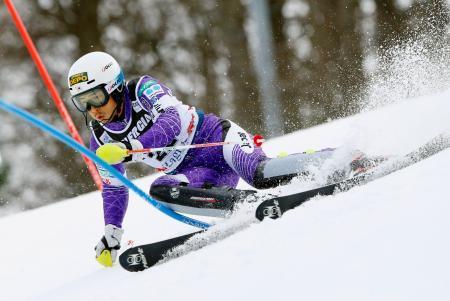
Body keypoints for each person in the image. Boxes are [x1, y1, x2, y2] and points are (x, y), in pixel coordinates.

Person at [67, 51, 370, 267]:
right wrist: (111, 232)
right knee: (162, 190)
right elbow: (114, 186)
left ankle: (341, 156)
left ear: (115, 87)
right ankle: (243, 204)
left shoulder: (142, 89)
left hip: (216, 139)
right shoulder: (101, 138)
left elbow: (172, 119)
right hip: (196, 171)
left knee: (261, 174)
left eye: (96, 97)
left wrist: (133, 145)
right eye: (83, 103)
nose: (93, 109)